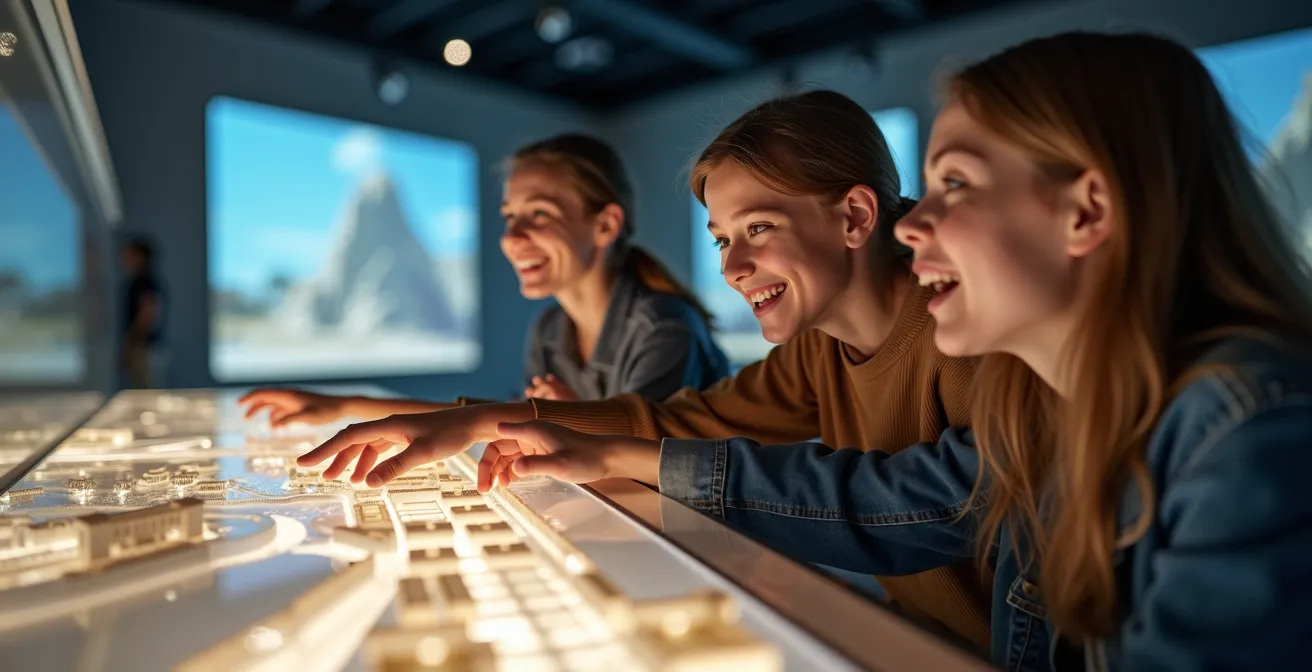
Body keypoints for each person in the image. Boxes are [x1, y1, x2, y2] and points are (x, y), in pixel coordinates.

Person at [451, 32, 1312, 671]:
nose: (917, 221)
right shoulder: (1079, 396)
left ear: (1086, 212)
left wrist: (587, 444)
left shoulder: (1242, 433)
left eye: (955, 184)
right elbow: (703, 428)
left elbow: (904, 502)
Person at [297, 91, 992, 650]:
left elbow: (918, 504)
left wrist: (606, 449)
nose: (732, 267)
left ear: (855, 216)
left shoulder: (975, 332)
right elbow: (685, 419)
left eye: (757, 228)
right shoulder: (815, 352)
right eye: (722, 240)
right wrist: (481, 420)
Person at [240, 134, 729, 425]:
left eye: (539, 214)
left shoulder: (665, 329)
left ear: (605, 226)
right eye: (509, 216)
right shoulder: (549, 330)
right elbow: (506, 422)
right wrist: (343, 407)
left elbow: (640, 461)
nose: (511, 238)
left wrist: (572, 419)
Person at [121, 237, 165, 388]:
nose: (125, 260)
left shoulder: (145, 283)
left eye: (130, 255)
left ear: (141, 257)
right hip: (143, 348)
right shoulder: (142, 282)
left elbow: (147, 315)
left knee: (148, 394)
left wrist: (130, 344)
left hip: (145, 349)